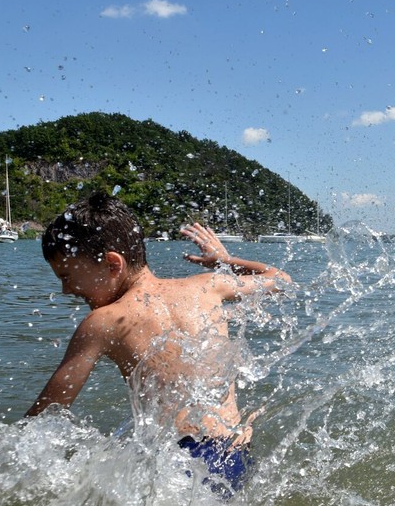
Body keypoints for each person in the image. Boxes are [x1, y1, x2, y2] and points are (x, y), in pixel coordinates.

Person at [26, 192, 291, 491]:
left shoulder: (101, 322)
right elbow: (281, 279)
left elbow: (45, 414)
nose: (66, 290)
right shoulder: (209, 286)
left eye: (66, 276)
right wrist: (224, 261)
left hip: (179, 464)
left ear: (113, 264)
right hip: (234, 453)